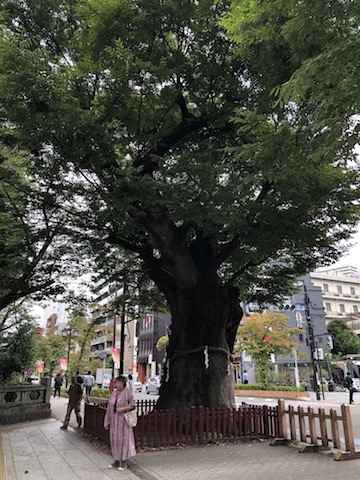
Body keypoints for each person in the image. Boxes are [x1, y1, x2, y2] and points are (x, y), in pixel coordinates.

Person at [104, 376, 136, 471]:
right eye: (116, 383)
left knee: (124, 440)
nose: (118, 385)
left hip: (123, 421)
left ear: (124, 383)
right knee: (114, 440)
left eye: (120, 383)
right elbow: (109, 408)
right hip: (114, 421)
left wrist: (122, 409)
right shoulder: (113, 393)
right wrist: (107, 421)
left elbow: (133, 405)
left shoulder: (127, 393)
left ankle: (124, 461)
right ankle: (116, 459)